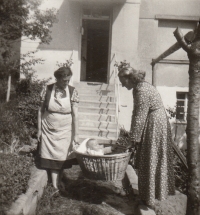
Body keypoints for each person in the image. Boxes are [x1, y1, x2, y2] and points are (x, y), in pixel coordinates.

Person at [118, 64, 175, 209]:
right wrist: (133, 136)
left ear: (129, 78)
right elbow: (136, 114)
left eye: (122, 82)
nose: (122, 85)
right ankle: (147, 196)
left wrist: (132, 140)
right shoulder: (140, 87)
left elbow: (140, 116)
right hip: (155, 121)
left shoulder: (141, 90)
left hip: (154, 123)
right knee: (148, 158)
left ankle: (149, 200)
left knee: (150, 158)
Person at [37, 66, 79, 189]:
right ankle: (55, 185)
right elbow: (40, 111)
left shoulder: (72, 91)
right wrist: (39, 130)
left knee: (62, 156)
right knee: (51, 156)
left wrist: (76, 134)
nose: (66, 83)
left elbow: (75, 114)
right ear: (57, 79)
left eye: (68, 80)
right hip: (48, 128)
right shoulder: (47, 89)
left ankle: (58, 181)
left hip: (65, 128)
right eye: (64, 80)